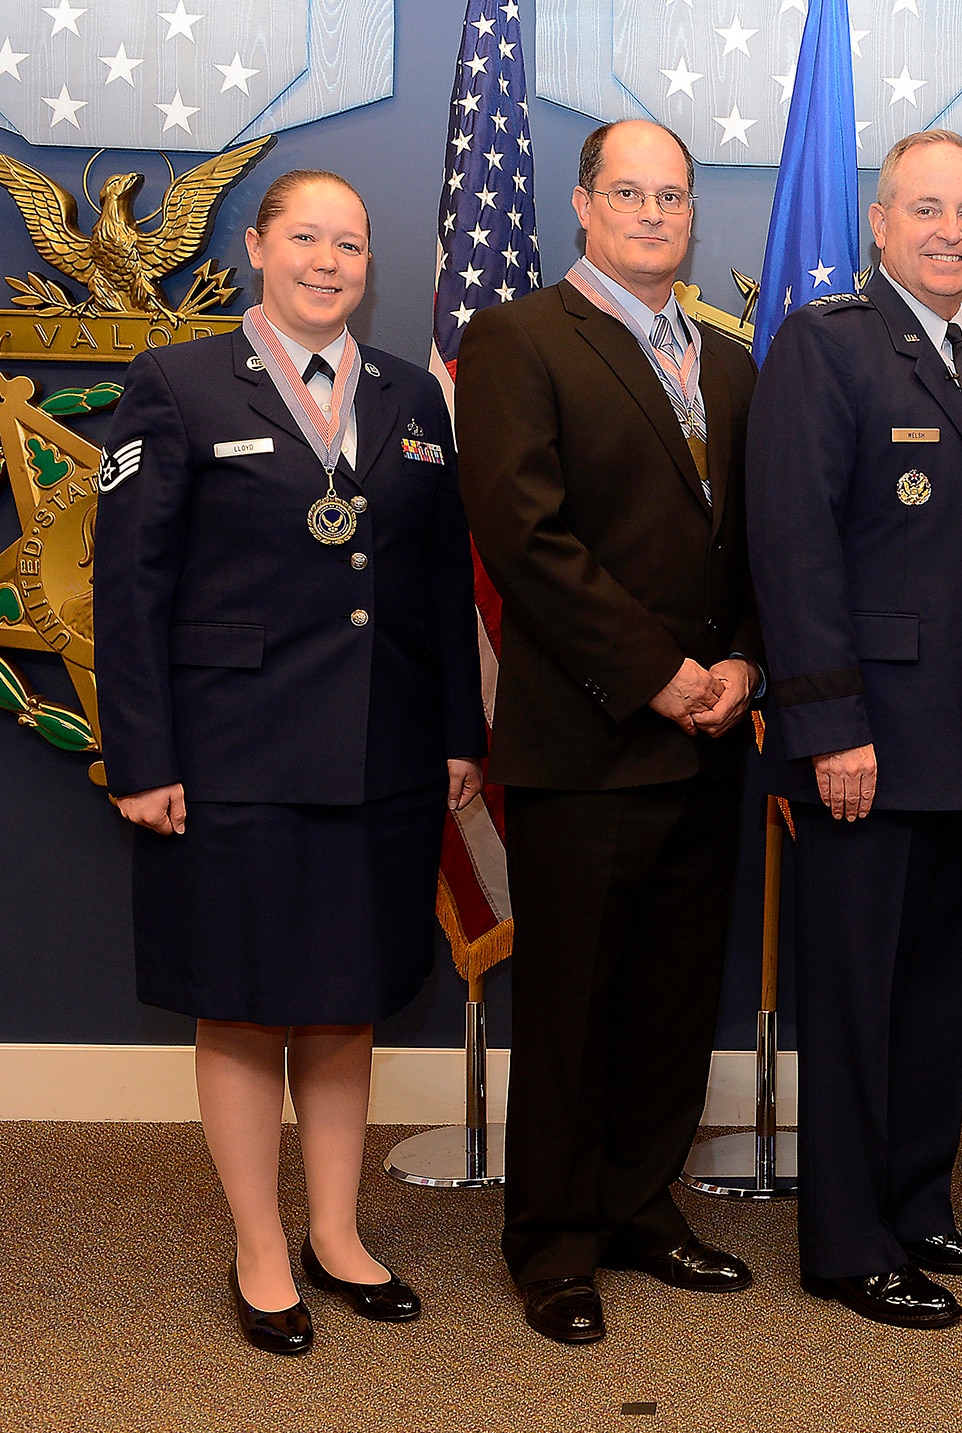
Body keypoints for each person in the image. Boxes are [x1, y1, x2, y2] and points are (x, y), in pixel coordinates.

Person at [94, 169, 486, 1356]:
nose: (329, 260)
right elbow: (130, 585)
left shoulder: (411, 394)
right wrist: (143, 754)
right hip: (232, 756)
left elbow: (431, 586)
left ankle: (336, 1232)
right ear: (259, 246)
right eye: (306, 237)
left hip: (383, 754)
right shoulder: (177, 383)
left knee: (345, 1000)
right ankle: (260, 1248)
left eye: (351, 245)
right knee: (246, 1002)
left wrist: (461, 733)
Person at [455, 119, 762, 1345]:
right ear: (582, 206)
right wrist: (659, 674)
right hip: (588, 735)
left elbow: (754, 539)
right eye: (627, 192)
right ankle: (554, 1240)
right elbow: (523, 537)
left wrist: (739, 659)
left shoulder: (731, 365)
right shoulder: (518, 339)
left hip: (709, 730)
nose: (651, 212)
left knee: (674, 993)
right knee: (575, 1000)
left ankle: (640, 1204)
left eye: (671, 195)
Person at [746, 129, 962, 1331]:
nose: (949, 233)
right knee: (858, 995)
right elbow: (794, 545)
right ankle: (845, 1241)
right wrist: (828, 727)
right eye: (925, 210)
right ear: (878, 222)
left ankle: (917, 1204)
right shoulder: (827, 349)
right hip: (865, 739)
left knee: (932, 990)